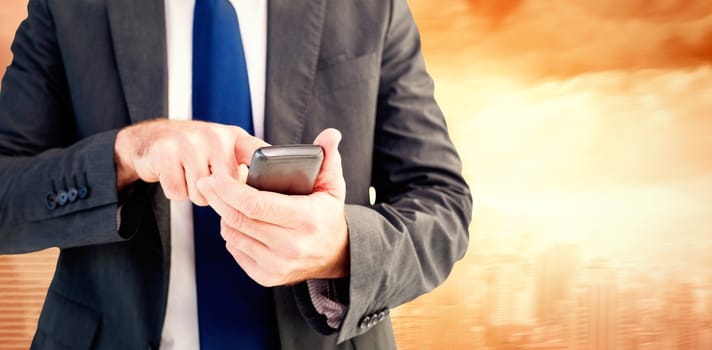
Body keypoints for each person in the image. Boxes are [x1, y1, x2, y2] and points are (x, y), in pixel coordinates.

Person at [0, 0, 472, 349]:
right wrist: (125, 153)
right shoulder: (67, 9)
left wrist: (342, 249)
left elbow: (442, 203)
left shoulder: (373, 8)